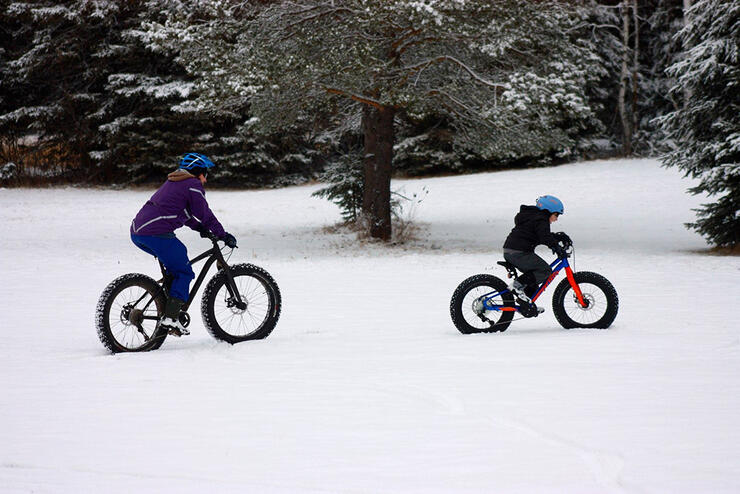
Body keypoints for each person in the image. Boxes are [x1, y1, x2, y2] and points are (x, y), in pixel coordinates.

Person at [130, 153, 237, 336]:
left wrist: (200, 228)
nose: (206, 178)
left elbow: (183, 212)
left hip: (138, 231)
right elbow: (204, 213)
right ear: (199, 172)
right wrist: (223, 234)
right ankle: (171, 318)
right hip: (155, 232)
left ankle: (168, 305)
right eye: (206, 173)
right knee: (184, 271)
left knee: (177, 263)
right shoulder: (192, 184)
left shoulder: (175, 182)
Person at [502, 195, 569, 314]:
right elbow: (544, 237)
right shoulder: (541, 219)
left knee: (533, 280)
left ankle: (527, 305)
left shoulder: (535, 217)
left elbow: (541, 235)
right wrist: (556, 247)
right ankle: (516, 287)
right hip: (518, 252)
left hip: (512, 250)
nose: (556, 219)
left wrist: (558, 237)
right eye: (556, 215)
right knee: (544, 270)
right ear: (547, 211)